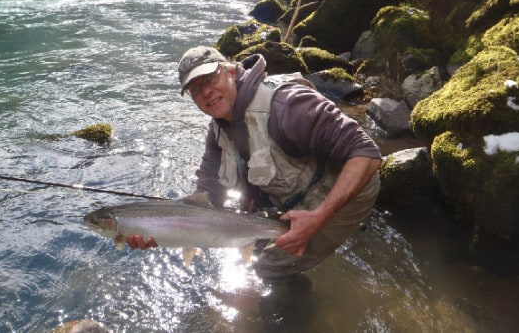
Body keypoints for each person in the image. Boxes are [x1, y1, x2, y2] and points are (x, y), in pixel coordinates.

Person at [127, 45, 381, 279]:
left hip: (342, 188)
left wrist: (318, 218)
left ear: (231, 71)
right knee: (253, 246)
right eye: (195, 89)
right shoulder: (218, 129)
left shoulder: (287, 105)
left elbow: (366, 153)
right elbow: (208, 191)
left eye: (209, 79)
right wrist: (163, 228)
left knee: (268, 268)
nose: (206, 92)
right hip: (290, 196)